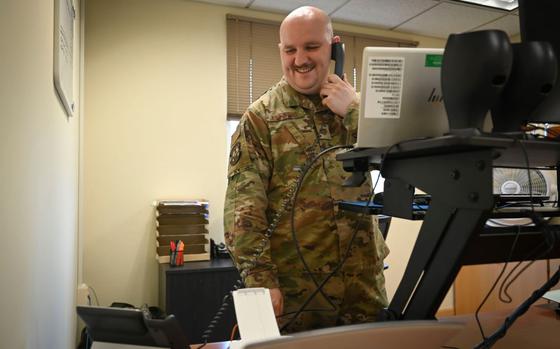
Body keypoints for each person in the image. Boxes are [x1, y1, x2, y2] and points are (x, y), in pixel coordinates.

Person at [224, 6, 389, 333]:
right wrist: (261, 280)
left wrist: (355, 112)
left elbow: (405, 161)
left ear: (335, 47)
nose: (300, 59)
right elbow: (243, 209)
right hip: (296, 293)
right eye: (290, 49)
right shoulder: (261, 117)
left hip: (362, 287)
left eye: (311, 47)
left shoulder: (360, 109)